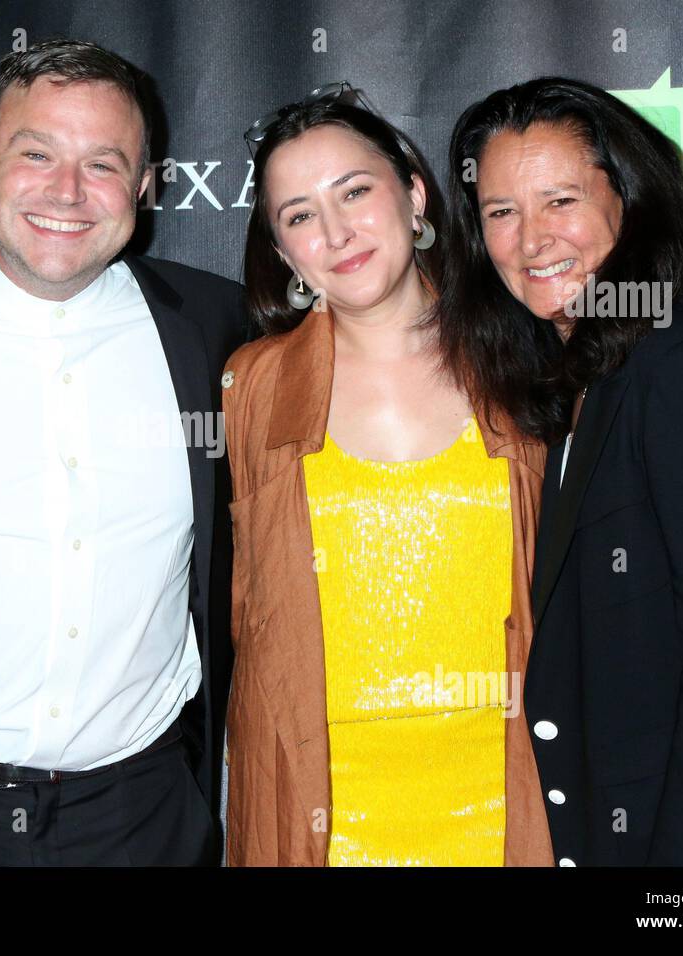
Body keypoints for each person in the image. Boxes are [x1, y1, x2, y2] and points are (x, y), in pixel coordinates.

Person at [443, 75, 683, 865]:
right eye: (501, 213)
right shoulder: (594, 376)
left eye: (561, 201)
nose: (532, 240)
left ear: (631, 203)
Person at [0, 39, 247, 866]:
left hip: (149, 812)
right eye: (37, 154)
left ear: (145, 186)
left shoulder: (219, 331)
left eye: (103, 163)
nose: (66, 191)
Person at [221, 83, 554, 866]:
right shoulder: (250, 388)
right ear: (281, 249)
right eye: (299, 215)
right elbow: (245, 615)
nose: (335, 232)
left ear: (413, 194)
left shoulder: (527, 361)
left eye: (355, 192)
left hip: (512, 809)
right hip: (324, 825)